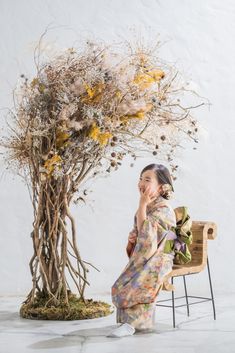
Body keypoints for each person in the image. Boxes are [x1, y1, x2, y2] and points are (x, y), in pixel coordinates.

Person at [107, 163, 177, 337]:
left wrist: (142, 205)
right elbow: (142, 236)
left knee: (141, 280)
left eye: (147, 179)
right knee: (124, 281)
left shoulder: (164, 208)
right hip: (147, 254)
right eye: (140, 179)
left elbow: (149, 239)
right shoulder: (149, 204)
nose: (141, 183)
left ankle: (133, 325)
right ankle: (127, 322)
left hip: (161, 256)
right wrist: (133, 239)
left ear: (161, 187)